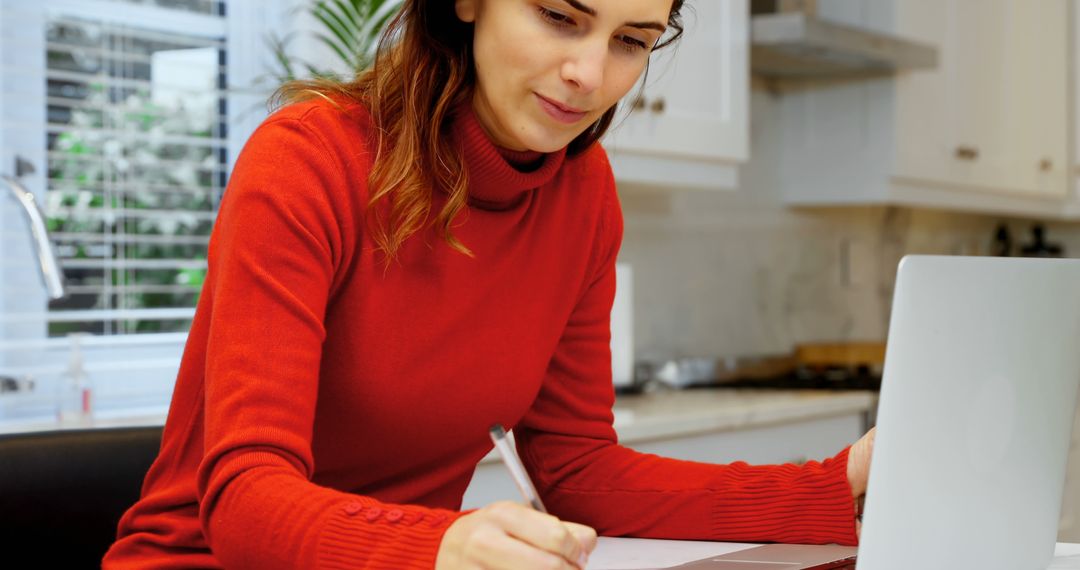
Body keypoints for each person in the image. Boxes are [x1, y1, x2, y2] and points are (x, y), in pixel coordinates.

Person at [103, 0, 877, 568]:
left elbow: (577, 470)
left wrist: (834, 484)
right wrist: (440, 543)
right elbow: (244, 499)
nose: (589, 74)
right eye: (558, 16)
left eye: (631, 42)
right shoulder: (309, 162)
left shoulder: (582, 195)